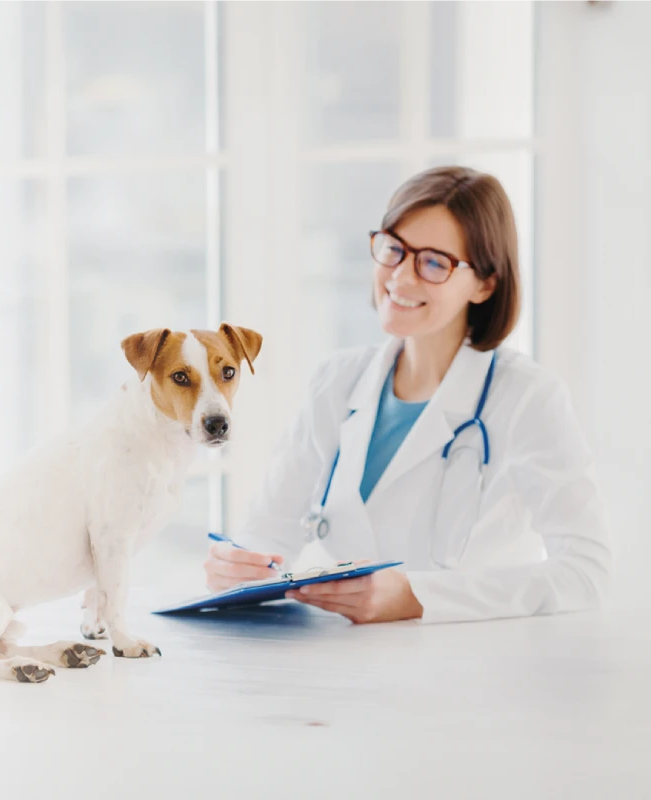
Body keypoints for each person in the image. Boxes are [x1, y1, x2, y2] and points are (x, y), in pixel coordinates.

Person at [203, 166, 612, 624]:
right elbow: (266, 538)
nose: (400, 276)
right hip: (338, 673)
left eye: (434, 262)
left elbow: (586, 573)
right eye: (394, 249)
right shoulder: (336, 381)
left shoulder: (528, 397)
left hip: (474, 673)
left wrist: (422, 597)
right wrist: (236, 568)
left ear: (485, 283)